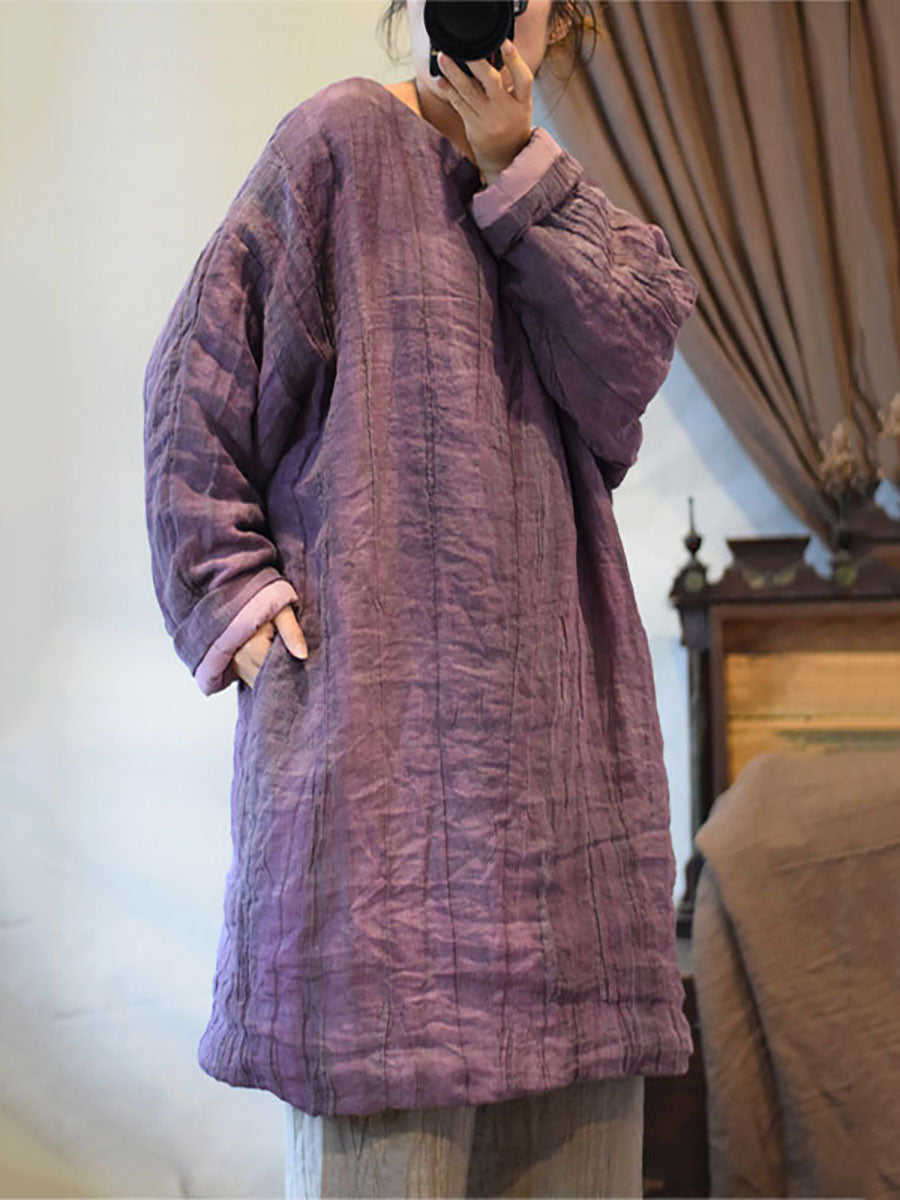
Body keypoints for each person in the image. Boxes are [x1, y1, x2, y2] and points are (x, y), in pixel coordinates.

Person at [143, 0, 700, 1194]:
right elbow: (196, 382)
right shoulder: (338, 141)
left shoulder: (566, 207)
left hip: (562, 794)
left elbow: (629, 368)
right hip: (378, 799)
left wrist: (518, 171)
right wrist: (233, 594)